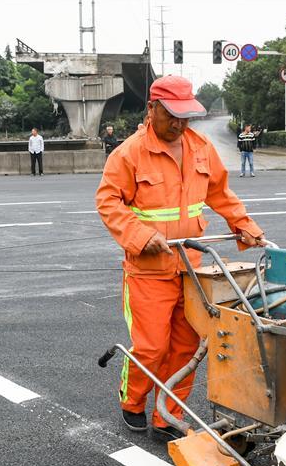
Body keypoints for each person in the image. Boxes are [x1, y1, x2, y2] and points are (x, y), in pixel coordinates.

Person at [95, 75, 266, 440]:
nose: (179, 124)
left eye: (185, 117)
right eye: (171, 116)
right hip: (147, 270)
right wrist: (141, 235)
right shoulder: (128, 153)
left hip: (191, 267)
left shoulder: (201, 148)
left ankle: (167, 416)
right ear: (152, 109)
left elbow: (221, 193)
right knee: (151, 346)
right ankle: (132, 400)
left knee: (187, 345)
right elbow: (108, 203)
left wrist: (244, 225)